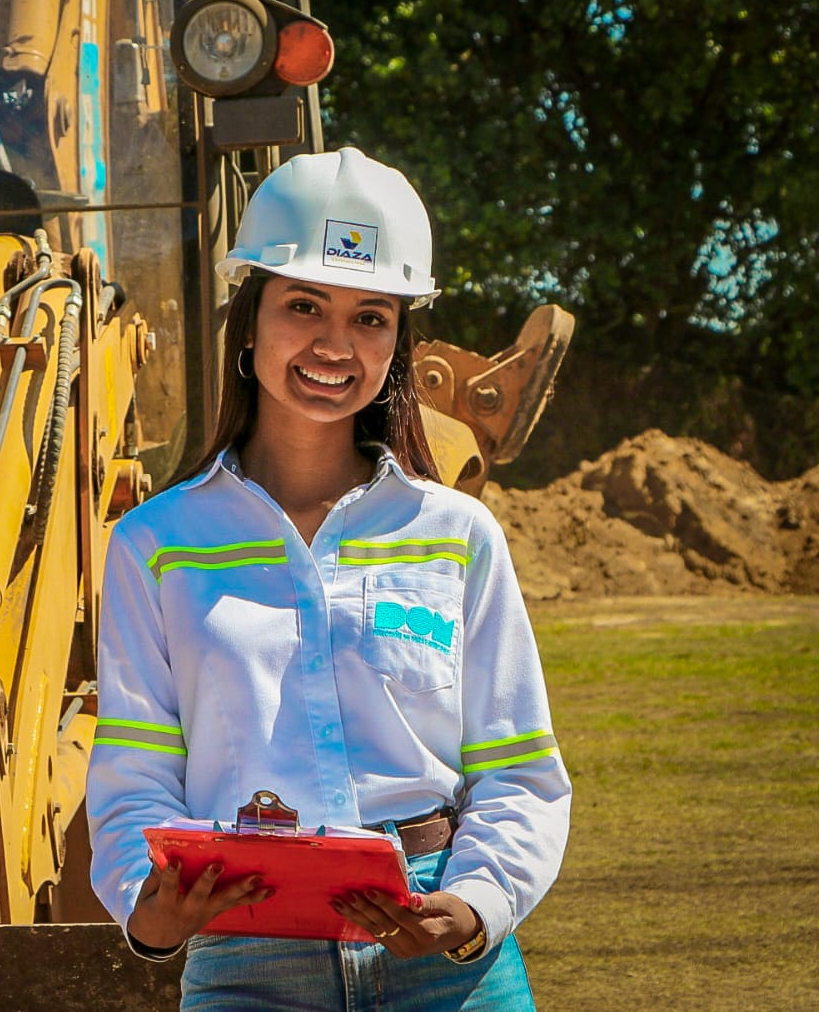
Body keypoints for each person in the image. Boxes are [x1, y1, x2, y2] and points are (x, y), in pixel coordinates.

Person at [85, 147, 571, 1011]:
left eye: (370, 317)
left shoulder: (456, 535)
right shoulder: (153, 543)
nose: (333, 345)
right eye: (303, 306)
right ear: (250, 318)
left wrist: (467, 905)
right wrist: (145, 909)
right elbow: (134, 774)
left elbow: (518, 771)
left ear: (398, 338)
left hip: (439, 939)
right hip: (246, 948)